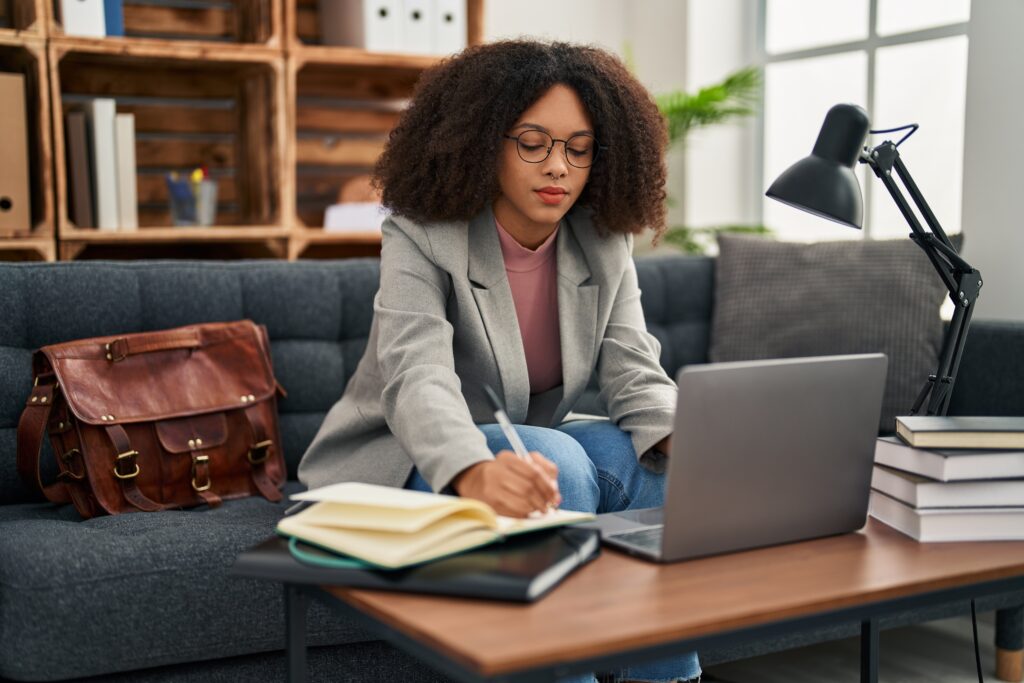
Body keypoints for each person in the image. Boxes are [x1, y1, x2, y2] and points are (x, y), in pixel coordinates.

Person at [298, 39, 701, 683]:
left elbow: (633, 367)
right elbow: (417, 377)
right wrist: (472, 469)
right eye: (533, 143)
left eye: (579, 148)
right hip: (409, 454)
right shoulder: (422, 233)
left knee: (650, 462)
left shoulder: (604, 240)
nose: (558, 166)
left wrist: (697, 441)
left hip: (526, 439)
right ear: (486, 141)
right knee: (556, 458)